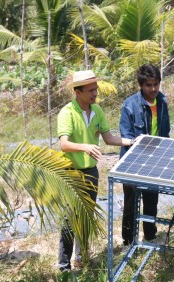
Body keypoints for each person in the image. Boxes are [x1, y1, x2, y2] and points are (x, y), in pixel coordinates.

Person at [57, 70, 133, 271]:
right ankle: (63, 266)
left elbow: (109, 138)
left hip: (90, 171)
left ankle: (80, 258)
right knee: (69, 219)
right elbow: (64, 144)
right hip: (70, 172)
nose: (94, 94)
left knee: (86, 216)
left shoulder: (97, 111)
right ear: (78, 91)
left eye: (95, 89)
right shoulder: (67, 112)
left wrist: (132, 142)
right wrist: (85, 147)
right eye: (90, 90)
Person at [119, 64, 170, 246]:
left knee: (151, 201)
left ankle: (150, 236)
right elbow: (127, 135)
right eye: (149, 85)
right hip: (133, 161)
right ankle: (128, 240)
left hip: (154, 161)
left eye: (156, 84)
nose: (153, 89)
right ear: (141, 85)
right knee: (131, 204)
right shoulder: (130, 105)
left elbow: (165, 132)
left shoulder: (162, 102)